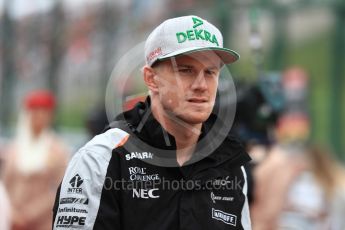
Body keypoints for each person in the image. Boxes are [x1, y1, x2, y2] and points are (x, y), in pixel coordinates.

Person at [52, 15, 252, 230]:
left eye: (210, 72)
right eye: (185, 70)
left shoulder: (230, 164)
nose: (201, 85)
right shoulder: (101, 159)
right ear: (150, 79)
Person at [3, 90, 69, 230]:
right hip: (11, 220)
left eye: (44, 112)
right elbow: (5, 185)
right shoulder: (14, 148)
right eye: (35, 111)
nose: (39, 116)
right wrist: (12, 213)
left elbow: (60, 189)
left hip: (41, 222)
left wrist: (29, 214)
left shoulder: (57, 150)